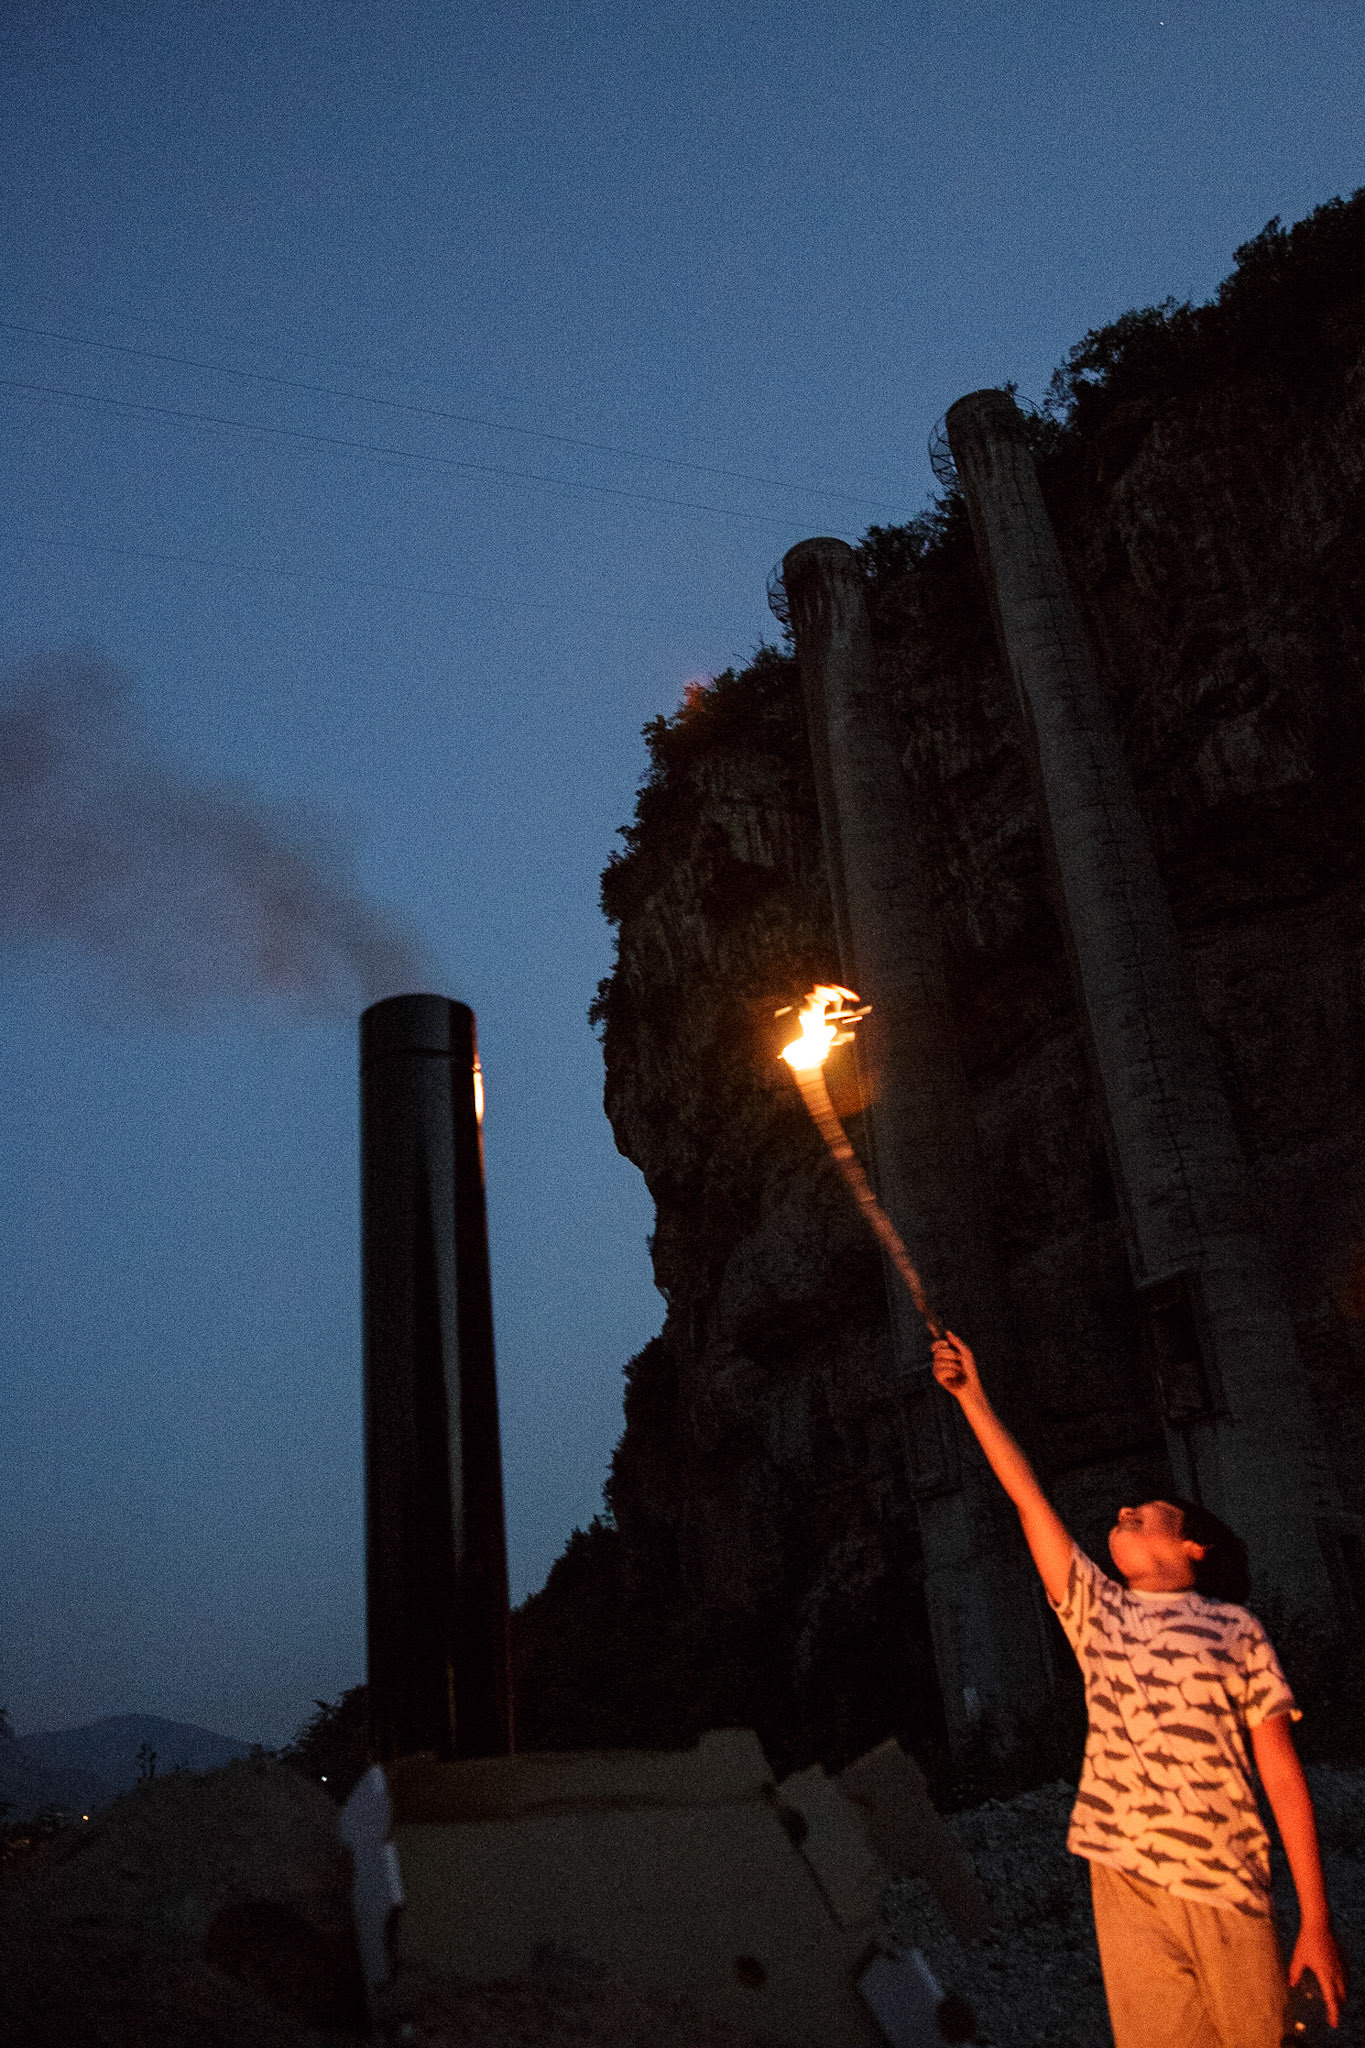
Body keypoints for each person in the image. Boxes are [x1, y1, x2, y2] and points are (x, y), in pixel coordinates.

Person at [930, 1329, 1348, 2047]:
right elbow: (1028, 1500)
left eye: (1148, 1513)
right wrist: (973, 1397)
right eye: (1124, 1511)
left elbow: (1278, 1770)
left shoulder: (1232, 1627)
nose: (1125, 1512)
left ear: (1194, 1547)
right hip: (1121, 1876)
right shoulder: (1097, 1610)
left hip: (1221, 1879)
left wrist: (1314, 1920)